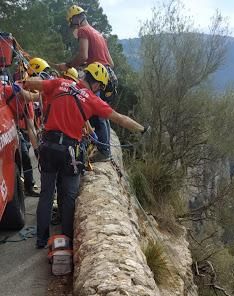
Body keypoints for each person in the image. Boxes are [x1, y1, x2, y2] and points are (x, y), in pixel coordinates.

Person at [23, 62, 147, 249]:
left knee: (47, 195)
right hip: (69, 152)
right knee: (69, 197)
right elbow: (119, 118)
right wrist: (142, 129)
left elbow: (31, 84)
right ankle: (66, 242)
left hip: (48, 146)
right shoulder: (91, 99)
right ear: (96, 84)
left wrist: (26, 79)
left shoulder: (59, 83)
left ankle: (41, 240)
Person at [57, 5, 116, 161]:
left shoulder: (84, 31)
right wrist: (90, 64)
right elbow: (110, 62)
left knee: (94, 113)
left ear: (77, 19)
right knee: (102, 113)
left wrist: (68, 65)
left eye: (72, 23)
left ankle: (103, 151)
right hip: (106, 75)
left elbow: (83, 55)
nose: (72, 27)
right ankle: (104, 148)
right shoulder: (99, 34)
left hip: (96, 76)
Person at [3, 81, 40, 196]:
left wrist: (37, 150)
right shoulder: (8, 91)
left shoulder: (27, 106)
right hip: (4, 126)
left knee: (24, 155)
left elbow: (31, 128)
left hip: (13, 129)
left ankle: (28, 186)